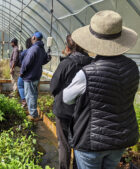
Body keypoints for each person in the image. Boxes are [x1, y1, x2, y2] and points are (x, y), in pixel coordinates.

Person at [62, 10, 139, 169]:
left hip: (91, 142)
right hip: (119, 139)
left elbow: (66, 98)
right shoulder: (133, 68)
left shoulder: (87, 73)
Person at [50, 35, 93, 169]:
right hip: (84, 112)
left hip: (64, 111)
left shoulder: (66, 64)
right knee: (80, 143)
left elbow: (53, 87)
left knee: (64, 144)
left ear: (68, 48)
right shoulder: (92, 63)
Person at [20, 32, 49, 121]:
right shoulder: (41, 49)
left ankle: (33, 115)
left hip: (30, 76)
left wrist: (22, 72)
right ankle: (32, 111)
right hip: (36, 75)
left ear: (34, 38)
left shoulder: (33, 49)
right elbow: (44, 61)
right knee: (34, 94)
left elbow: (26, 63)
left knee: (30, 95)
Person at [17, 38, 32, 107]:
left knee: (20, 85)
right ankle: (29, 104)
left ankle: (24, 101)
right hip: (34, 73)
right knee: (31, 89)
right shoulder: (37, 51)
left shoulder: (25, 52)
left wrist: (20, 52)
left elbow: (21, 63)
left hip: (25, 73)